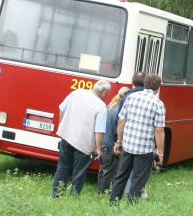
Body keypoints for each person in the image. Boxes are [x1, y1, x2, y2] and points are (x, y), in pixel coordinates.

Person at [109, 74, 165, 204]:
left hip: (128, 146)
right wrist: (160, 153)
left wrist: (119, 142)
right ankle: (131, 205)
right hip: (144, 149)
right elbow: (159, 130)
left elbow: (121, 121)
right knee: (138, 179)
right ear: (158, 87)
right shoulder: (158, 104)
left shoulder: (131, 98)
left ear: (144, 84)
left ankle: (113, 202)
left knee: (121, 176)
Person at [52, 79, 111, 198]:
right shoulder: (101, 108)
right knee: (79, 173)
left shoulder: (76, 93)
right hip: (83, 144)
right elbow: (99, 131)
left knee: (63, 167)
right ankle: (73, 197)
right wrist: (98, 149)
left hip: (66, 137)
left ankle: (56, 195)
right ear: (104, 93)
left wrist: (62, 125)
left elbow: (62, 109)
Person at [97, 86, 130, 194]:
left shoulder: (109, 107)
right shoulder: (119, 112)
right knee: (109, 172)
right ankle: (104, 193)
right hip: (111, 144)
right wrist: (118, 143)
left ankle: (100, 191)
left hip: (102, 143)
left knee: (102, 169)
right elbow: (117, 130)